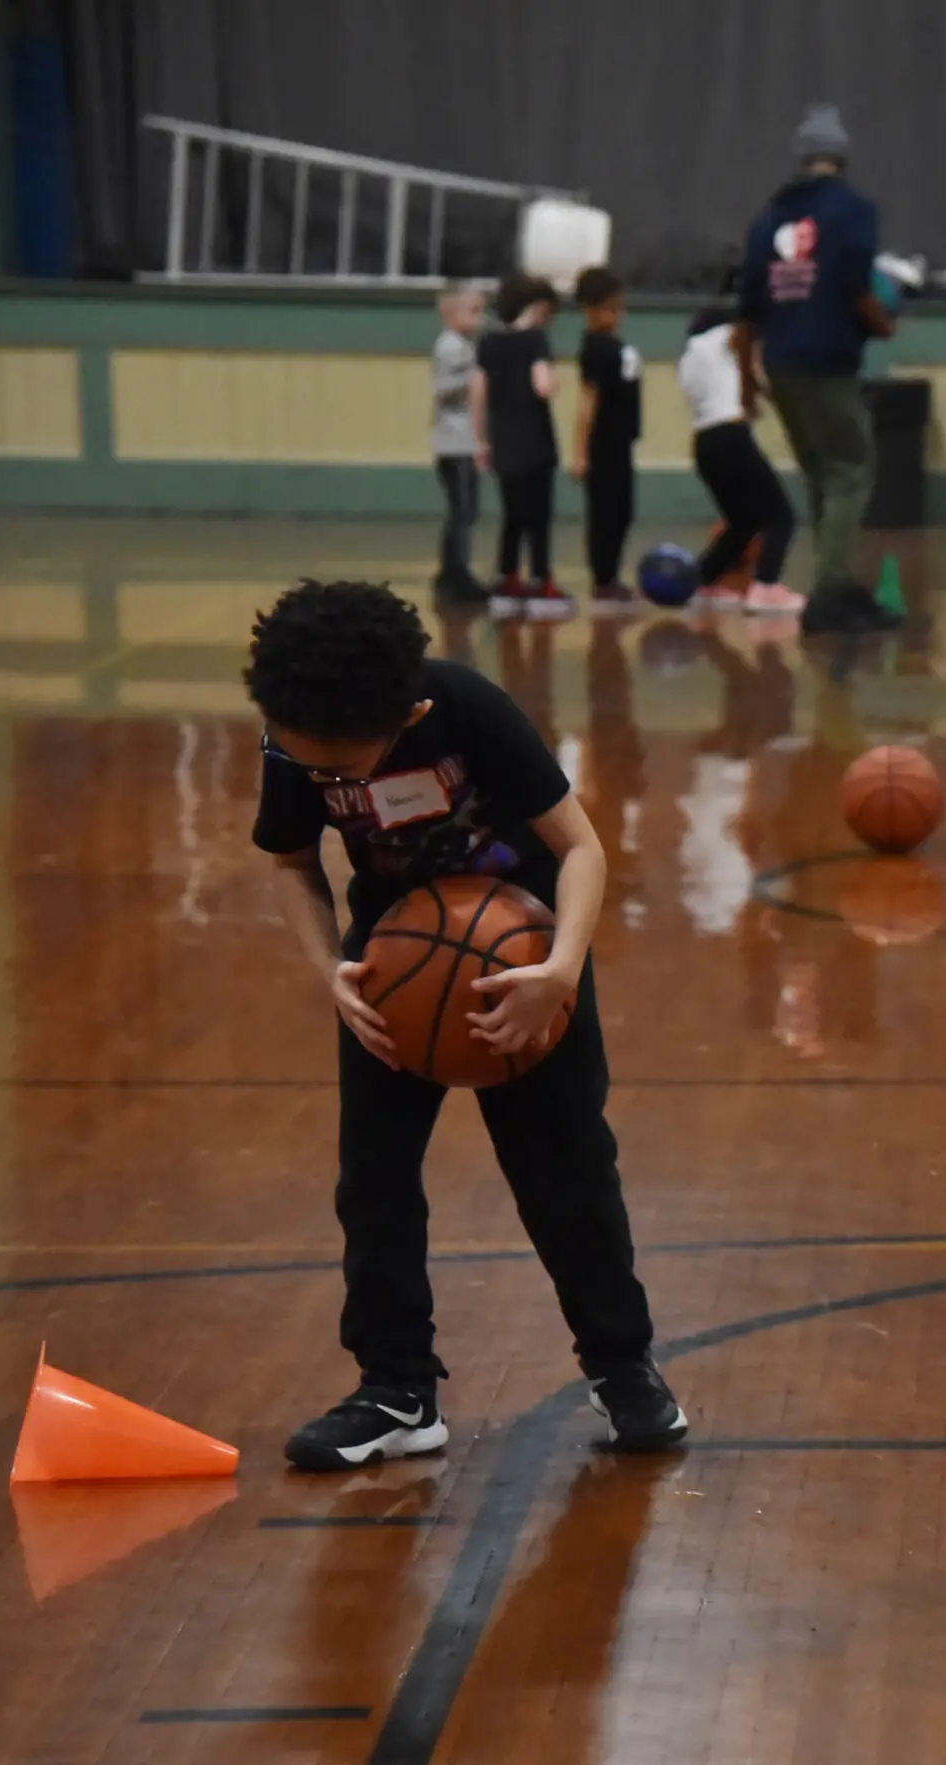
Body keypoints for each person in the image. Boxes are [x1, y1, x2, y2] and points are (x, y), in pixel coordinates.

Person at [245, 580, 688, 1468]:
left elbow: (584, 849)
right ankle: (397, 1388)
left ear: (407, 712)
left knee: (565, 1172)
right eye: (312, 766)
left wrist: (557, 974)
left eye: (345, 765)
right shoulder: (296, 736)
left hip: (524, 957)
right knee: (372, 1181)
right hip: (392, 969)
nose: (327, 778)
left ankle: (623, 1366)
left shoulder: (469, 712)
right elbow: (293, 862)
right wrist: (331, 970)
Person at [738, 103, 899, 634]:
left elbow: (748, 306)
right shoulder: (852, 211)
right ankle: (831, 592)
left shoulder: (769, 217)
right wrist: (882, 323)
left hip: (779, 358)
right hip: (828, 355)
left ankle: (835, 579)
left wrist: (745, 378)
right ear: (841, 157)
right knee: (852, 468)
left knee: (820, 472)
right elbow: (855, 284)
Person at [678, 304, 801, 613]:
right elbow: (744, 332)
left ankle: (704, 580)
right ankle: (766, 586)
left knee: (742, 522)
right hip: (732, 438)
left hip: (704, 444)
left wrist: (758, 390)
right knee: (781, 516)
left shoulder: (689, 358)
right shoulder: (720, 338)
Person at [473, 275, 572, 620]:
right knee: (539, 516)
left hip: (503, 440)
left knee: (512, 516)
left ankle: (507, 580)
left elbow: (478, 393)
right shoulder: (535, 340)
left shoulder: (488, 342)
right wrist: (551, 379)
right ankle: (542, 581)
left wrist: (482, 440)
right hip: (536, 441)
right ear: (539, 308)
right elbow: (543, 386)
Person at [571, 267, 642, 609]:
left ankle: (612, 575)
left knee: (623, 510)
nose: (618, 314)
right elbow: (588, 401)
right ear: (590, 308)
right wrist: (580, 451)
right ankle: (603, 579)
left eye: (620, 307)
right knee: (606, 513)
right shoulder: (595, 348)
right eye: (610, 308)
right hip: (604, 443)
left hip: (622, 441)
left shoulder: (614, 343)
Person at [429, 285, 490, 606]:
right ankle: (456, 574)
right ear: (450, 314)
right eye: (474, 311)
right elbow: (443, 388)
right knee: (462, 511)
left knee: (465, 511)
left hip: (463, 441)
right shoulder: (451, 347)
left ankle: (453, 570)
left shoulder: (464, 346)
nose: (482, 318)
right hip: (456, 443)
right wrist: (474, 378)